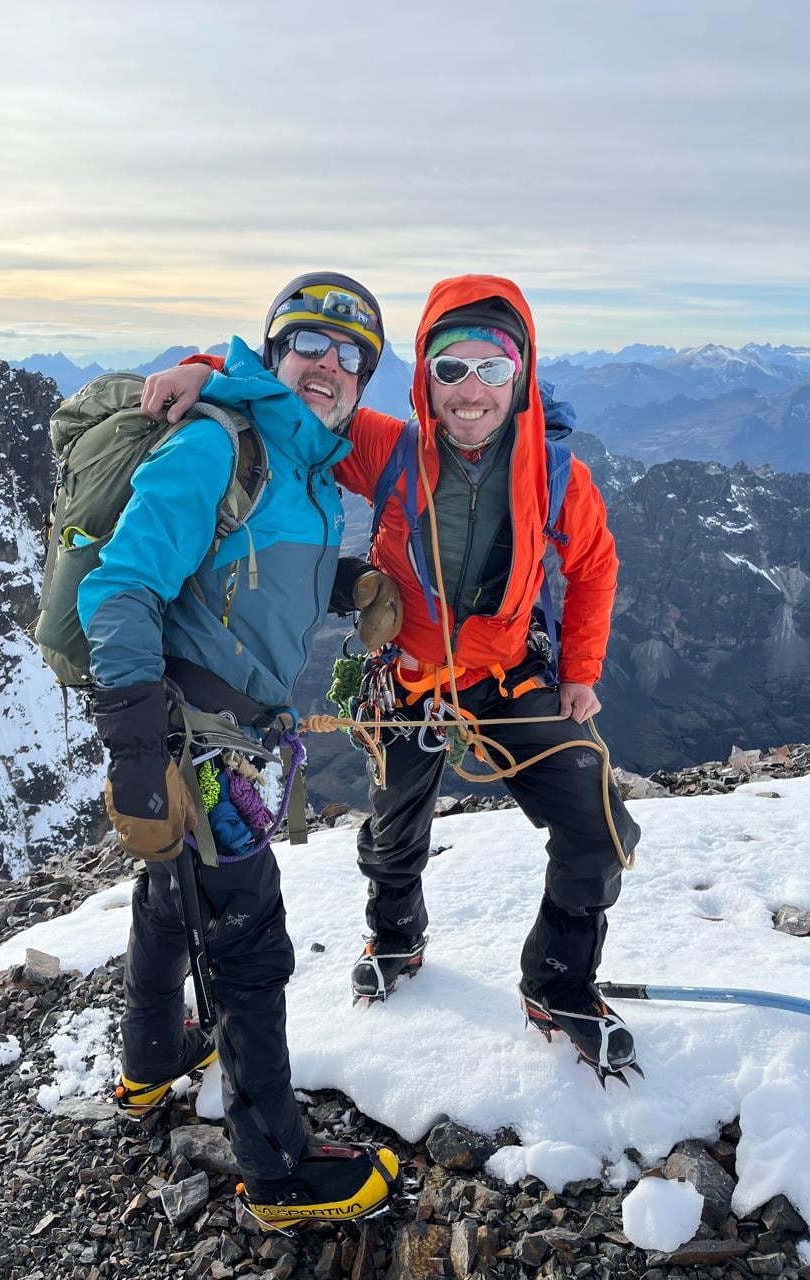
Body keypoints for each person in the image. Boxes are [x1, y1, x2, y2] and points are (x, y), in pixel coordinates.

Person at [141, 273, 642, 1084]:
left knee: (600, 823)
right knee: (397, 825)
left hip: (508, 674)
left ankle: (559, 982)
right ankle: (396, 934)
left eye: (492, 367)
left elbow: (594, 565)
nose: (470, 389)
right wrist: (206, 370)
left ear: (520, 375)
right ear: (424, 378)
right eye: (450, 369)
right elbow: (292, 410)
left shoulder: (556, 477)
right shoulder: (392, 450)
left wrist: (580, 673)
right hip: (408, 674)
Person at [79, 272, 402, 1230]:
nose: (329, 365)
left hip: (220, 727)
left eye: (351, 356)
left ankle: (150, 1064)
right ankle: (279, 1170)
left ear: (363, 379)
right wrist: (139, 755)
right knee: (249, 941)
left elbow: (245, 570)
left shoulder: (303, 470)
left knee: (168, 899)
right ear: (273, 352)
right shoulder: (220, 442)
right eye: (309, 342)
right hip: (191, 738)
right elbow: (121, 588)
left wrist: (346, 587)